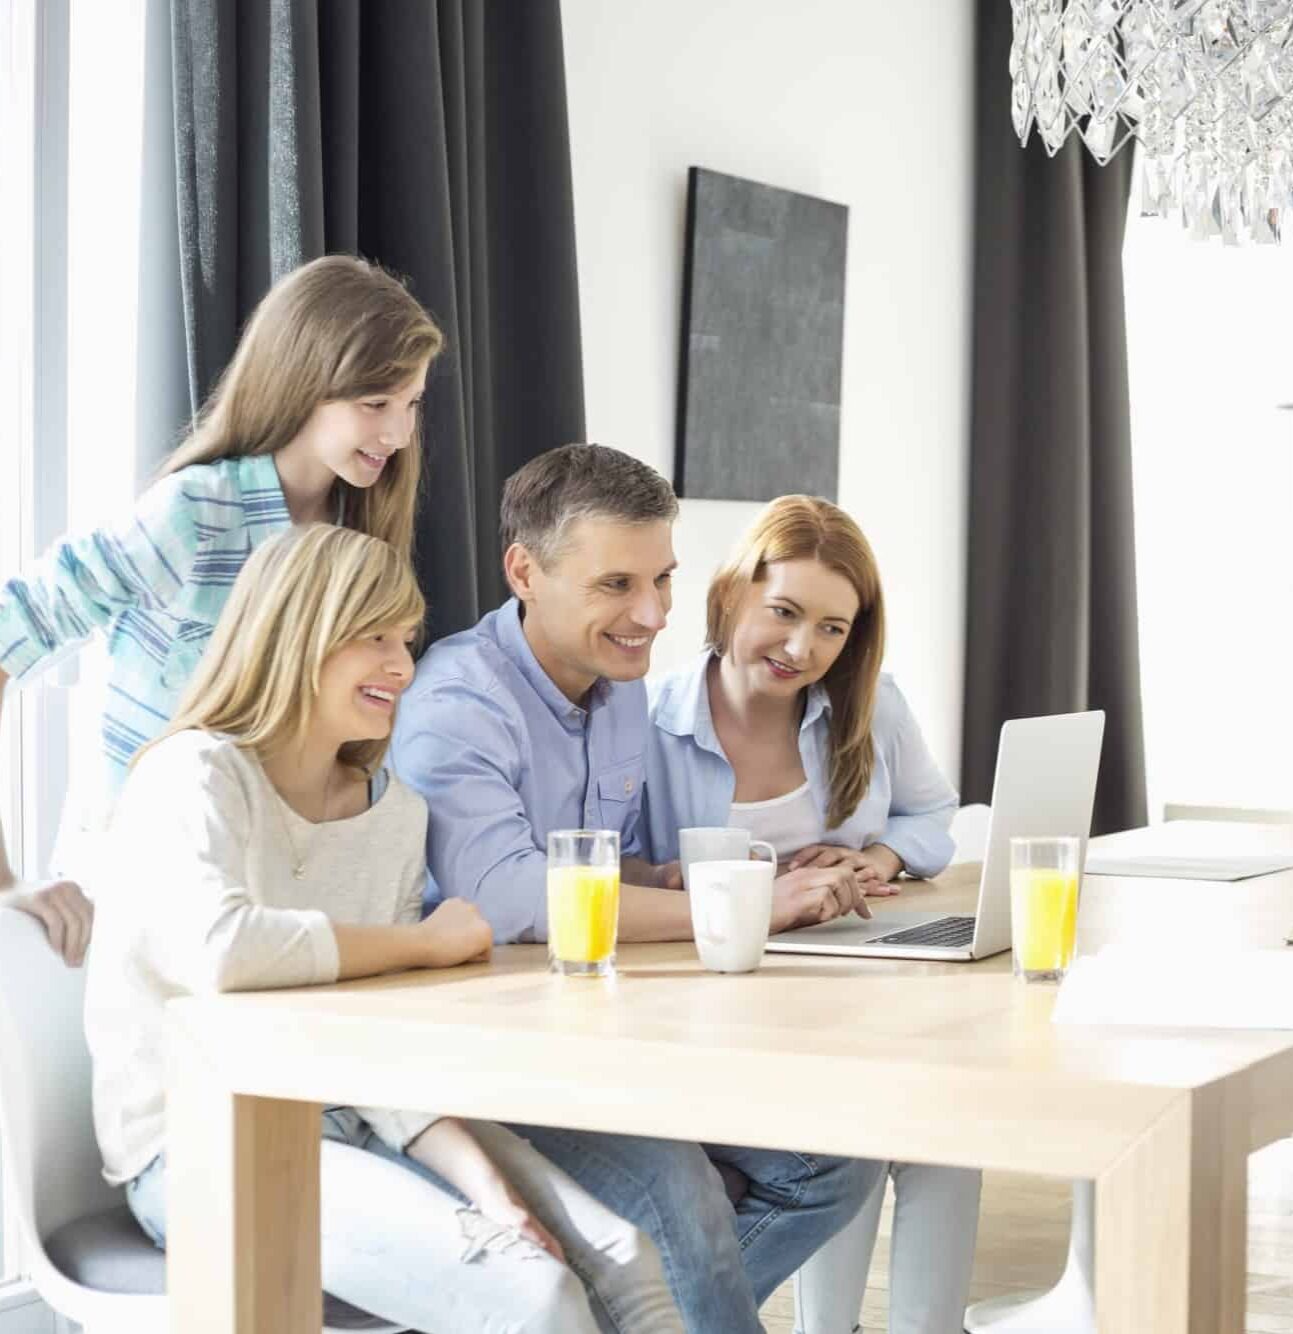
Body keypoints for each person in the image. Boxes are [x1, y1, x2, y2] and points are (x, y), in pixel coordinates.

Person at [85, 524, 683, 1333]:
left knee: (623, 1258)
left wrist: (488, 1186)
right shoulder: (191, 776)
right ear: (295, 634)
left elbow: (383, 1058)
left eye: (405, 638)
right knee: (533, 1298)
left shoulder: (392, 812)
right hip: (204, 1145)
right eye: (371, 637)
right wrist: (424, 943)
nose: (402, 666)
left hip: (367, 1123)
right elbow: (221, 951)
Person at [391, 445, 883, 1333]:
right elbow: (507, 899)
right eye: (617, 584)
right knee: (681, 1195)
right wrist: (743, 910)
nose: (653, 614)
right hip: (483, 1058)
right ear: (524, 571)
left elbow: (596, 868)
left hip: (597, 1032)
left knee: (833, 1160)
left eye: (661, 579)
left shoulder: (615, 692)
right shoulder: (456, 705)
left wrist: (680, 877)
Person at [0, 254, 442, 964]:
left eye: (412, 404)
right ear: (304, 382)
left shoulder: (357, 533)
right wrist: (4, 884)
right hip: (146, 910)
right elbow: (7, 637)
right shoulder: (192, 514)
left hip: (273, 904)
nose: (397, 434)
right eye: (375, 403)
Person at [643, 496, 975, 1334]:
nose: (803, 649)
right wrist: (749, 890)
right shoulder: (648, 724)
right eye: (784, 613)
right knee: (869, 1117)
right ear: (729, 597)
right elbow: (614, 873)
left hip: (854, 989)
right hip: (717, 1012)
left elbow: (935, 818)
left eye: (832, 628)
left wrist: (877, 858)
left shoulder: (870, 707)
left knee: (951, 1126)